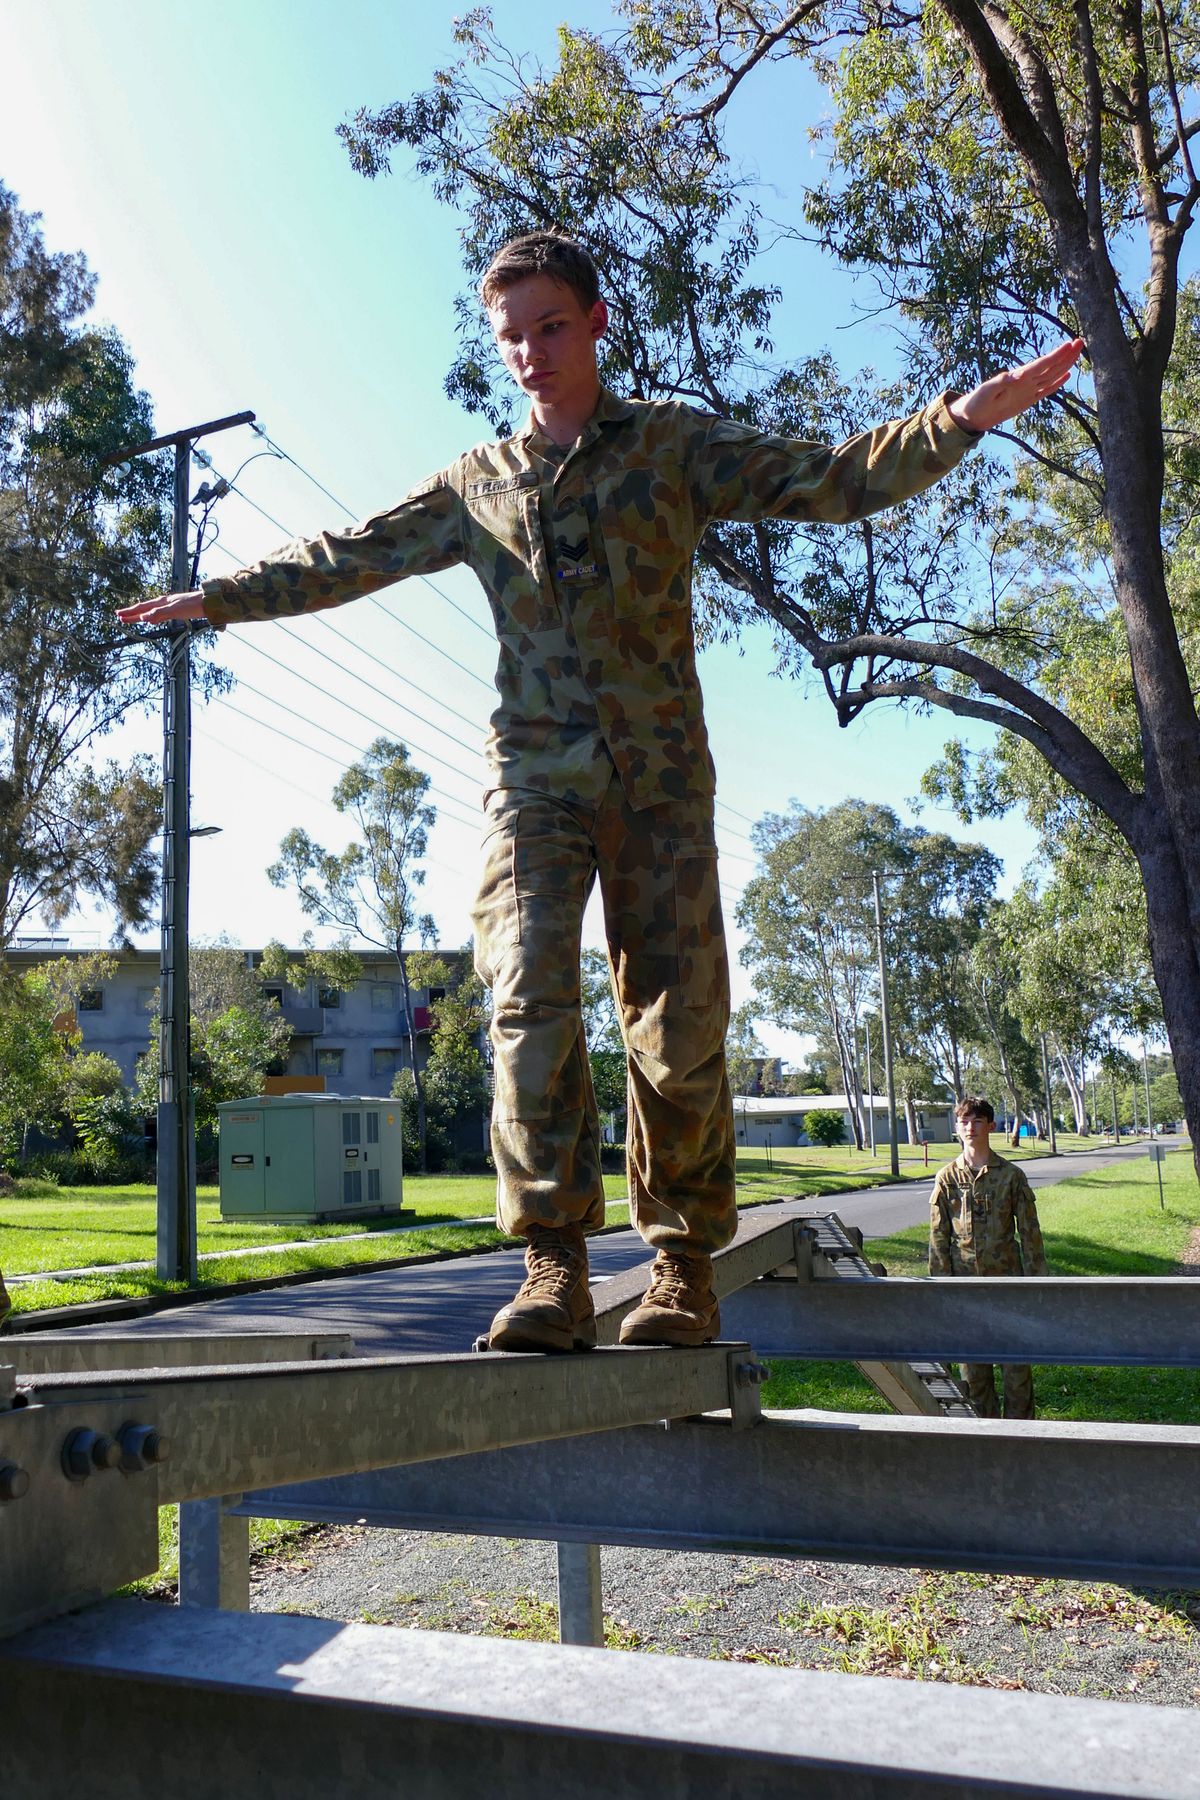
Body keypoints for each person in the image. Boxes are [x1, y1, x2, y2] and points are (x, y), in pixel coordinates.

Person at [119, 232, 1082, 1355]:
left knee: (678, 1029)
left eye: (550, 326)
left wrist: (958, 419)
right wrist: (219, 597)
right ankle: (554, 1267)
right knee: (526, 992)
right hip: (532, 783)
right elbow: (352, 553)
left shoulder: (670, 446)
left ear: (596, 323)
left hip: (660, 783)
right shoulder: (476, 484)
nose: (530, 352)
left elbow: (828, 479)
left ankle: (681, 1271)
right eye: (511, 336)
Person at [929, 1095, 1049, 1417]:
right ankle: (985, 1436)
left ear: (991, 1126)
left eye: (977, 1121)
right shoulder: (947, 1178)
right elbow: (939, 1239)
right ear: (957, 1127)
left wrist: (1038, 1286)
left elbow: (1031, 1236)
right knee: (974, 1376)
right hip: (965, 1291)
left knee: (1017, 1373)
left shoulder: (1011, 1176)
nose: (970, 1128)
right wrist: (940, 1290)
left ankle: (1021, 1436)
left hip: (1008, 1289)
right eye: (964, 1122)